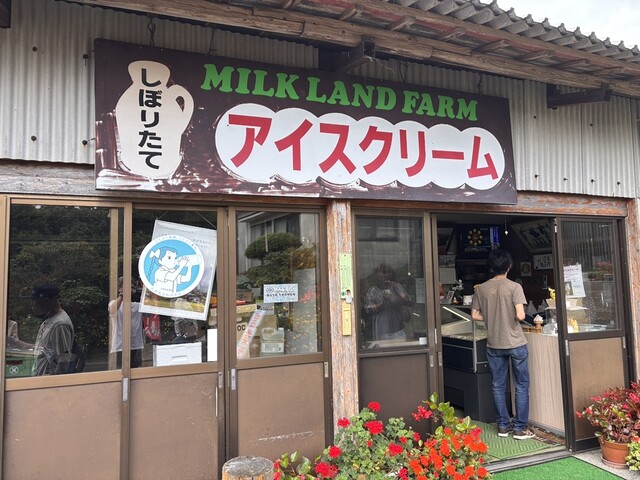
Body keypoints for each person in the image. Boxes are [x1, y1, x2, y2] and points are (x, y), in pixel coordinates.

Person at [471, 249, 534, 440]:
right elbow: (521, 315)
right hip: (515, 342)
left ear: (491, 266)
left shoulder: (480, 288)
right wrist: (508, 315)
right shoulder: (514, 287)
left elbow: (474, 315)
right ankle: (520, 429)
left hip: (494, 344)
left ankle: (503, 427)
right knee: (521, 385)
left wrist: (492, 317)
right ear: (509, 266)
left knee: (498, 385)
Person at [13, 284, 75, 375]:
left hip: (49, 380)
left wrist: (55, 381)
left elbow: (63, 360)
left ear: (46, 301)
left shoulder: (59, 324)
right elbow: (45, 349)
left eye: (35, 303)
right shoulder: (49, 320)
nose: (33, 306)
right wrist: (16, 343)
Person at [363, 263, 412, 341]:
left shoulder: (397, 287)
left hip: (398, 332)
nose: (385, 276)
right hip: (381, 333)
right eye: (383, 273)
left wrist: (397, 291)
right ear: (378, 275)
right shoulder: (374, 290)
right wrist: (383, 302)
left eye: (387, 273)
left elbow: (408, 301)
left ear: (391, 274)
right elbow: (368, 310)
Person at [108, 277, 144, 368]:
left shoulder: (138, 306)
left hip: (136, 346)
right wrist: (122, 295)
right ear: (120, 289)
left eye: (131, 287)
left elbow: (152, 306)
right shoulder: (113, 303)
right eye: (126, 286)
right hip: (120, 347)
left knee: (136, 372)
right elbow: (112, 310)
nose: (130, 289)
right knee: (120, 373)